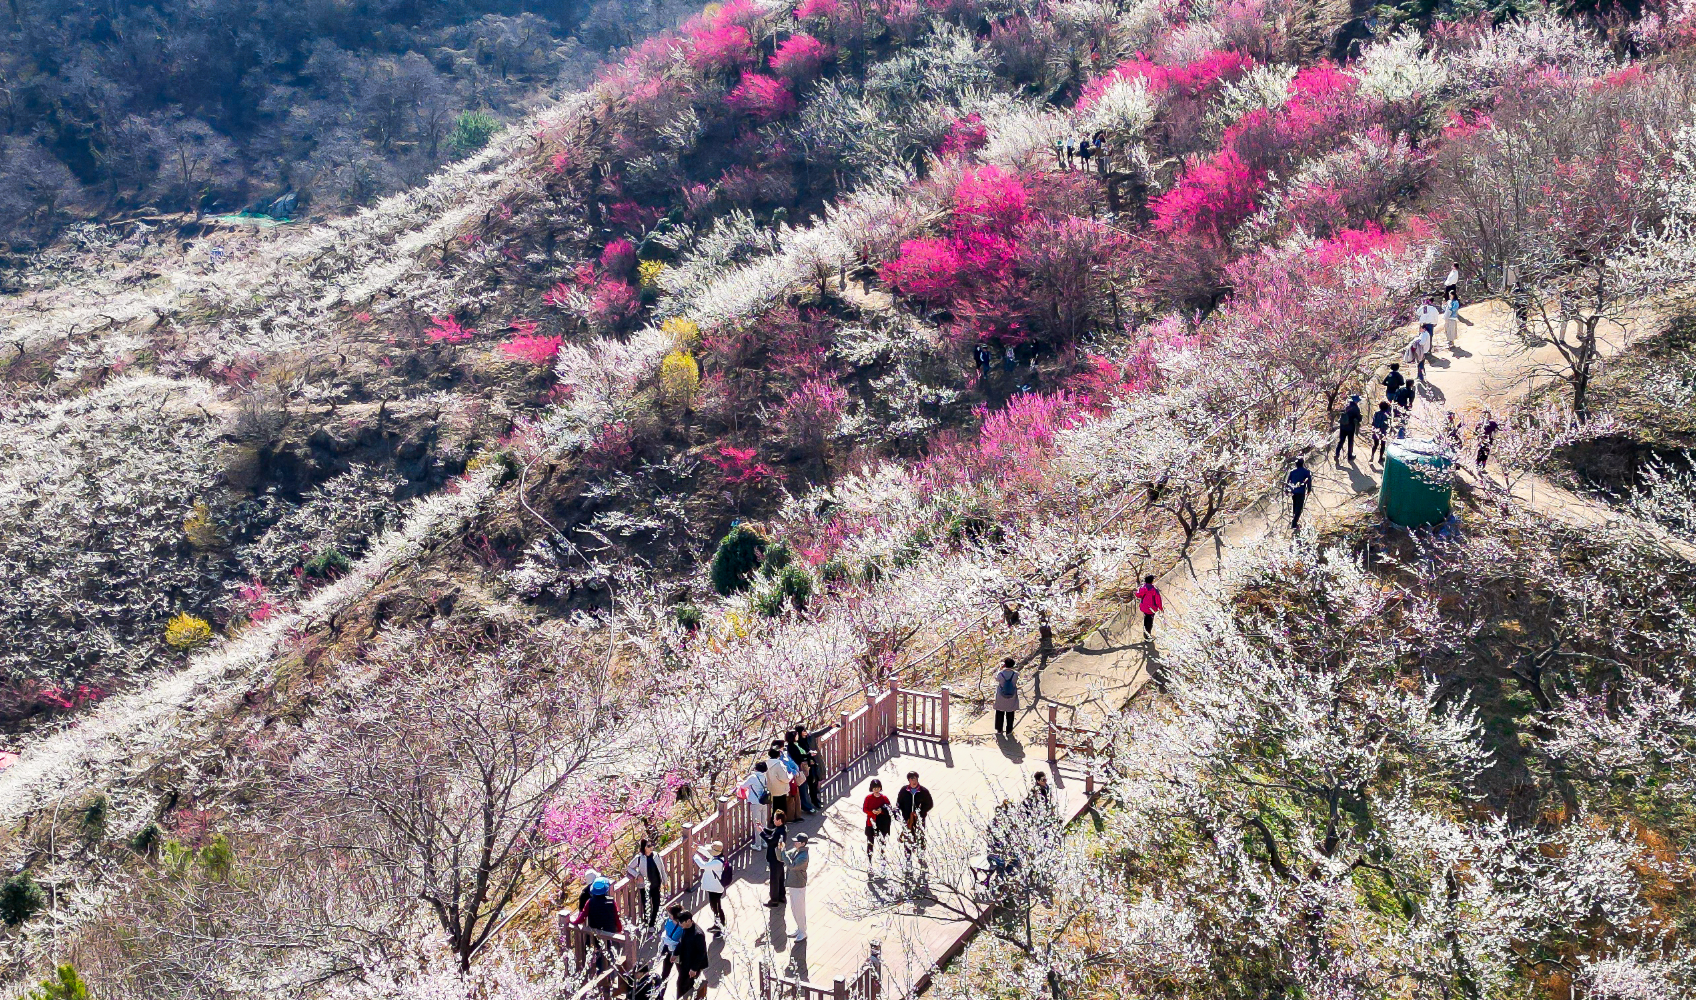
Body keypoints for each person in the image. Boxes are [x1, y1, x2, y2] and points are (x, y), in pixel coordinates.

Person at [690, 841, 729, 934]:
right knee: (716, 906)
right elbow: (708, 853)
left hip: (715, 888)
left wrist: (694, 855)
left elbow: (703, 865)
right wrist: (698, 848)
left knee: (715, 907)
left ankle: (720, 926)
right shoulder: (719, 857)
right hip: (715, 887)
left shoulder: (716, 863)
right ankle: (720, 924)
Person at [625, 839, 664, 929]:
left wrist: (664, 881)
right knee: (646, 905)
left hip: (655, 884)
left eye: (651, 845)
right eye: (648, 846)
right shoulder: (639, 858)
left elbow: (662, 869)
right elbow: (629, 867)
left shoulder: (656, 855)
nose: (651, 848)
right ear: (644, 848)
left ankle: (652, 923)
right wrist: (637, 875)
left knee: (657, 903)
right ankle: (647, 922)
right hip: (645, 886)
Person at [896, 771, 935, 855]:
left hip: (919, 818)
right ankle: (908, 853)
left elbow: (929, 804)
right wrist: (899, 812)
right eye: (911, 779)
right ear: (909, 780)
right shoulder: (904, 790)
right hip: (907, 818)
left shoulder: (923, 791)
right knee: (907, 835)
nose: (914, 781)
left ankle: (921, 854)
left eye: (915, 779)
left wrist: (919, 812)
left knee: (920, 835)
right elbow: (899, 803)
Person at [675, 911, 710, 999]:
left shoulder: (698, 934)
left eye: (681, 922)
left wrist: (694, 968)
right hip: (685, 962)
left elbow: (701, 953)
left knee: (688, 986)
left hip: (693, 965)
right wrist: (675, 953)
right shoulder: (685, 928)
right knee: (681, 983)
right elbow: (681, 942)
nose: (680, 924)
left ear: (688, 921)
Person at [783, 833, 811, 942]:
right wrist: (781, 850)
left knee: (799, 909)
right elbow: (785, 855)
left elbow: (792, 866)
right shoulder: (797, 851)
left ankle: (803, 932)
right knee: (794, 908)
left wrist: (783, 853)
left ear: (803, 844)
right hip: (793, 883)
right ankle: (799, 929)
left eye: (797, 841)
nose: (795, 842)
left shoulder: (803, 857)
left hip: (798, 885)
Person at [761, 811, 788, 906]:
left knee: (774, 879)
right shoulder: (782, 829)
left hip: (775, 858)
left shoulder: (779, 832)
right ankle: (781, 896)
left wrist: (761, 833)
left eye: (775, 818)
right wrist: (763, 829)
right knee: (780, 877)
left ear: (779, 820)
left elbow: (770, 841)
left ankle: (774, 900)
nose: (773, 819)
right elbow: (772, 833)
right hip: (780, 857)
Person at [863, 778, 893, 859]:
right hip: (871, 822)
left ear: (880, 788)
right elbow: (865, 809)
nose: (876, 790)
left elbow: (889, 808)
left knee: (882, 841)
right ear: (871, 789)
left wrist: (881, 811)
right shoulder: (868, 798)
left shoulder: (884, 798)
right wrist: (872, 812)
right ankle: (869, 858)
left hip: (881, 823)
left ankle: (882, 856)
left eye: (877, 788)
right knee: (870, 842)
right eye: (874, 788)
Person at [657, 905, 686, 987]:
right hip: (670, 949)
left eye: (670, 915)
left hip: (677, 951)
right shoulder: (671, 922)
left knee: (681, 972)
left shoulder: (681, 927)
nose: (669, 916)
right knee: (665, 973)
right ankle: (661, 993)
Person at [992, 657, 1019, 735]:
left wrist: (1000, 668)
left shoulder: (1000, 674)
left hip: (1001, 696)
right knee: (1010, 713)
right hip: (1012, 696)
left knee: (999, 712)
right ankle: (1009, 731)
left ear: (1005, 664)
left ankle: (999, 730)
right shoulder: (1015, 674)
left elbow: (995, 677)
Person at [765, 749, 792, 824]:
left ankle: (773, 822)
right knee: (781, 808)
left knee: (775, 807)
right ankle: (780, 825)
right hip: (780, 789)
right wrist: (790, 776)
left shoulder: (766, 763)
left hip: (771, 789)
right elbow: (784, 778)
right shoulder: (778, 764)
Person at [1286, 457, 1313, 530]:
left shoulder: (1292, 472)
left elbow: (1288, 482)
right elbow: (1309, 482)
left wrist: (1287, 490)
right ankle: (1294, 523)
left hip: (1294, 491)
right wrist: (1309, 490)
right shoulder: (1307, 472)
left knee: (1295, 506)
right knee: (1300, 508)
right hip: (1301, 492)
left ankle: (1294, 520)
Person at [1335, 394, 1362, 463]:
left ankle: (1337, 454)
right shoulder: (1356, 408)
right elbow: (1359, 419)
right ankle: (1350, 456)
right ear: (1356, 401)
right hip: (1350, 427)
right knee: (1350, 441)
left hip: (1343, 426)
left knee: (1341, 440)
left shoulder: (1346, 406)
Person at [1135, 575, 1162, 639]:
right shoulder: (1154, 589)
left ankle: (1145, 634)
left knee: (1146, 619)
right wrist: (1160, 608)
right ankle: (1148, 635)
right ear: (1152, 581)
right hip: (1151, 608)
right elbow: (1158, 600)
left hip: (1144, 607)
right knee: (1150, 621)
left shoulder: (1143, 587)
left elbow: (1138, 595)